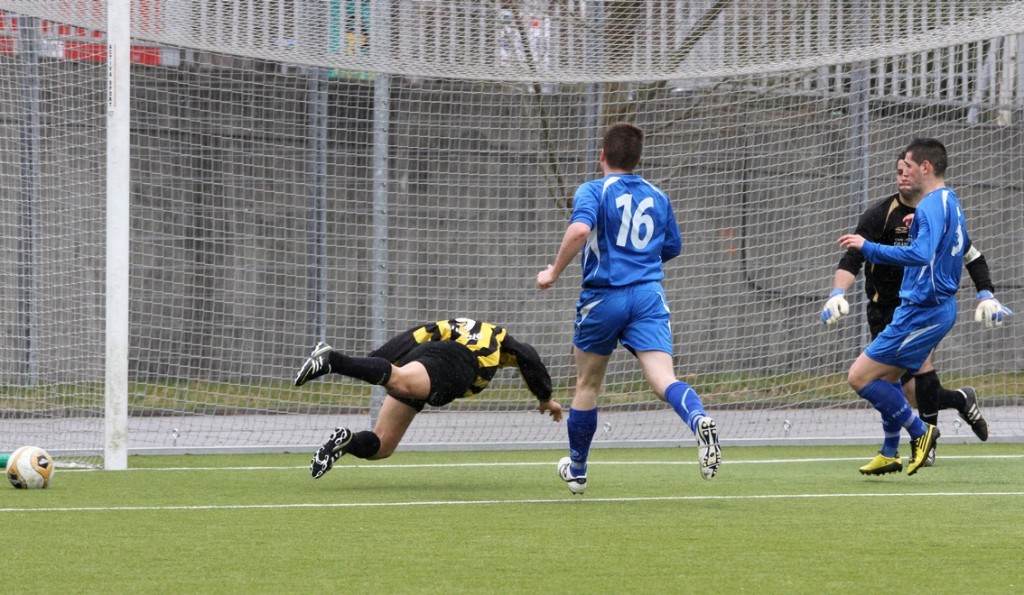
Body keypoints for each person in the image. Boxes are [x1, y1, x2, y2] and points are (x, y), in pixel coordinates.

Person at [536, 122, 721, 495]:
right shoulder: (658, 196)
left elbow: (577, 231)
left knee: (587, 384)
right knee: (663, 379)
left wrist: (553, 271)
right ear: (639, 159)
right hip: (649, 296)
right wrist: (641, 261)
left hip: (604, 296)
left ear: (602, 156)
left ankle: (577, 469)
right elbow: (672, 247)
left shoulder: (593, 189)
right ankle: (698, 418)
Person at [822, 153, 1012, 470]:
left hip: (919, 310)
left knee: (890, 378)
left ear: (924, 169)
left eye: (907, 169)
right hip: (885, 310)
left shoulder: (936, 208)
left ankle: (923, 437)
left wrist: (986, 293)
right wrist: (837, 293)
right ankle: (900, 444)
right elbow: (851, 257)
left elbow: (969, 254)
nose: (902, 176)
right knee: (895, 384)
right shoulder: (884, 213)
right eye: (898, 171)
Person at [293, 317, 563, 478]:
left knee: (383, 446)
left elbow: (414, 336)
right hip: (455, 365)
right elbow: (529, 355)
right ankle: (332, 360)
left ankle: (346, 441)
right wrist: (545, 398)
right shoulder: (499, 338)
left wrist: (376, 359)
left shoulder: (450, 326)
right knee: (401, 381)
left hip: (425, 356)